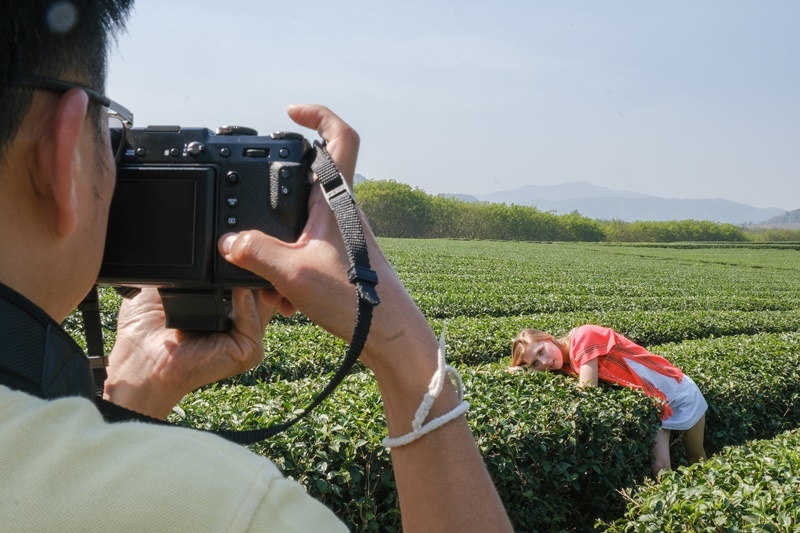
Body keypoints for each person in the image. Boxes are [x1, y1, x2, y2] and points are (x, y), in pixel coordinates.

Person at [0, 1, 513, 531]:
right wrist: (403, 352)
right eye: (111, 131)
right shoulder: (234, 511)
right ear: (63, 156)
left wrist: (135, 395)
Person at [510, 325, 707, 477]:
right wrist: (526, 371)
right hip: (658, 405)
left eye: (541, 351)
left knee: (695, 457)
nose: (544, 362)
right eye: (535, 363)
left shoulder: (582, 337)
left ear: (548, 338)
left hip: (678, 391)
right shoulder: (566, 362)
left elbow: (587, 390)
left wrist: (531, 369)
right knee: (659, 468)